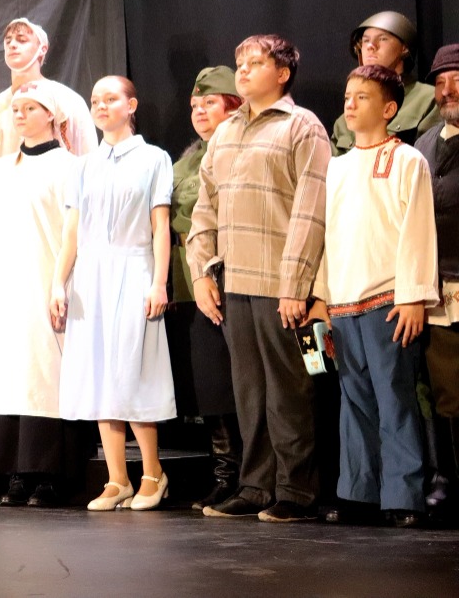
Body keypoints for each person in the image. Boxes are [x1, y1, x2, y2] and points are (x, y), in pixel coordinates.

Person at [188, 34, 330, 522]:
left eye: (255, 63)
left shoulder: (302, 126)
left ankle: (297, 490)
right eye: (240, 63)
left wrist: (295, 286)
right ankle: (255, 486)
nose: (243, 70)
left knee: (289, 390)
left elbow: (311, 212)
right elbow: (205, 207)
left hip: (280, 284)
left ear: (283, 73)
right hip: (235, 283)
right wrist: (202, 273)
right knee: (249, 392)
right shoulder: (226, 132)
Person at [310, 64, 438, 528]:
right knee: (354, 400)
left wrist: (413, 296)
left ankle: (404, 494)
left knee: (395, 398)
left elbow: (418, 231)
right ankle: (359, 492)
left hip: (388, 300)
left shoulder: (406, 160)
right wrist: (321, 295)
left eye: (362, 96)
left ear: (388, 109)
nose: (350, 103)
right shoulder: (337, 167)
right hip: (344, 301)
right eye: (348, 95)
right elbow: (329, 236)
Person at [52, 76, 175, 511]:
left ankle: (153, 473)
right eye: (95, 100)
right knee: (99, 372)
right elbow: (71, 233)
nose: (101, 106)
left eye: (110, 99)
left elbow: (161, 226)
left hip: (134, 268)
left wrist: (159, 281)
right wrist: (58, 282)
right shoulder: (84, 166)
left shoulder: (154, 158)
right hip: (91, 276)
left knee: (132, 370)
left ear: (131, 105)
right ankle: (117, 478)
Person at [0, 82, 82, 507]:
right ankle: (13, 472)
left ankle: (46, 473)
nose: (20, 115)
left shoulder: (70, 167)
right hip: (4, 289)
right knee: (7, 375)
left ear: (50, 115)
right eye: (16, 109)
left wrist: (60, 284)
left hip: (46, 283)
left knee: (45, 373)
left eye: (30, 108)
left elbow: (73, 234)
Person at [167, 67, 244, 509]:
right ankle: (224, 473)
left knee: (237, 382)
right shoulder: (185, 161)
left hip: (230, 275)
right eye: (194, 105)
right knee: (210, 387)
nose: (199, 111)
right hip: (187, 280)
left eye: (209, 103)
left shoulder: (239, 148)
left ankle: (251, 473)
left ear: (233, 106)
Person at [417, 43, 459, 521]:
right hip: (440, 287)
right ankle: (447, 479)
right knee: (444, 388)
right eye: (440, 82)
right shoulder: (425, 144)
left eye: (456, 80)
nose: (447, 90)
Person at [0, 18, 96, 158]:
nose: (12, 45)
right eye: (8, 41)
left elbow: (89, 154)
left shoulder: (67, 99)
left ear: (42, 49)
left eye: (22, 40)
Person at [330, 11, 440, 153]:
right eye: (365, 41)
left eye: (382, 39)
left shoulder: (427, 100)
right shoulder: (345, 120)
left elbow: (429, 157)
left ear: (404, 48)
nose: (371, 46)